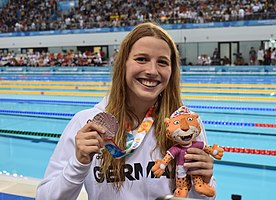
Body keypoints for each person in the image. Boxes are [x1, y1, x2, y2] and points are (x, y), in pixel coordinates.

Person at [36, 22, 216, 200]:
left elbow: (201, 198)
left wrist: (204, 183)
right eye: (141, 59)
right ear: (124, 64)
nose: (152, 71)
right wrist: (78, 164)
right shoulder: (87, 123)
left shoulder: (186, 125)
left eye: (162, 62)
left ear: (172, 71)